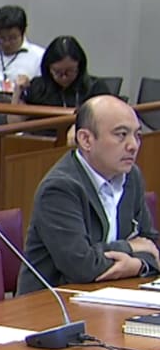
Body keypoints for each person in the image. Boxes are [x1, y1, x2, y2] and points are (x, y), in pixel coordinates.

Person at [17, 95, 159, 295]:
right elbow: (81, 266)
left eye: (137, 135)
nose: (133, 145)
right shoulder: (60, 187)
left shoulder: (131, 176)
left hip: (108, 295)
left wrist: (138, 265)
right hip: (54, 304)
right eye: (121, 134)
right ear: (86, 140)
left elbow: (152, 245)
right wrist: (130, 247)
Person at [12, 36, 111, 109]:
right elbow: (15, 123)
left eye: (70, 71)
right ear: (48, 68)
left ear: (80, 66)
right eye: (58, 72)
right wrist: (17, 91)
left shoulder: (95, 88)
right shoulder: (37, 87)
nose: (64, 77)